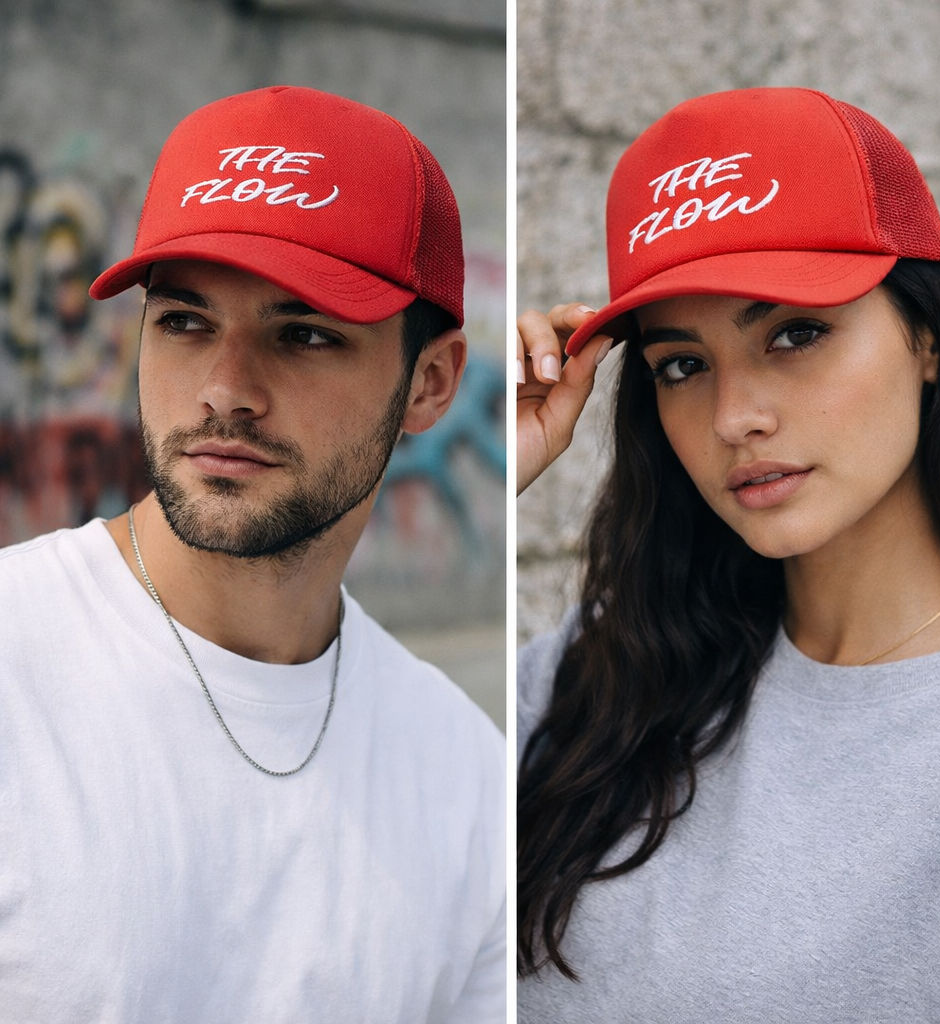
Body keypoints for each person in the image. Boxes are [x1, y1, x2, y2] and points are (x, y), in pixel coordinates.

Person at [516, 87, 940, 1022]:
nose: (733, 417)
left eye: (795, 332)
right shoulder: (601, 673)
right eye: (682, 363)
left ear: (927, 338)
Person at [0, 86, 504, 1023]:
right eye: (185, 322)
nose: (225, 390)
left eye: (303, 334)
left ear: (430, 385)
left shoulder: (468, 779)